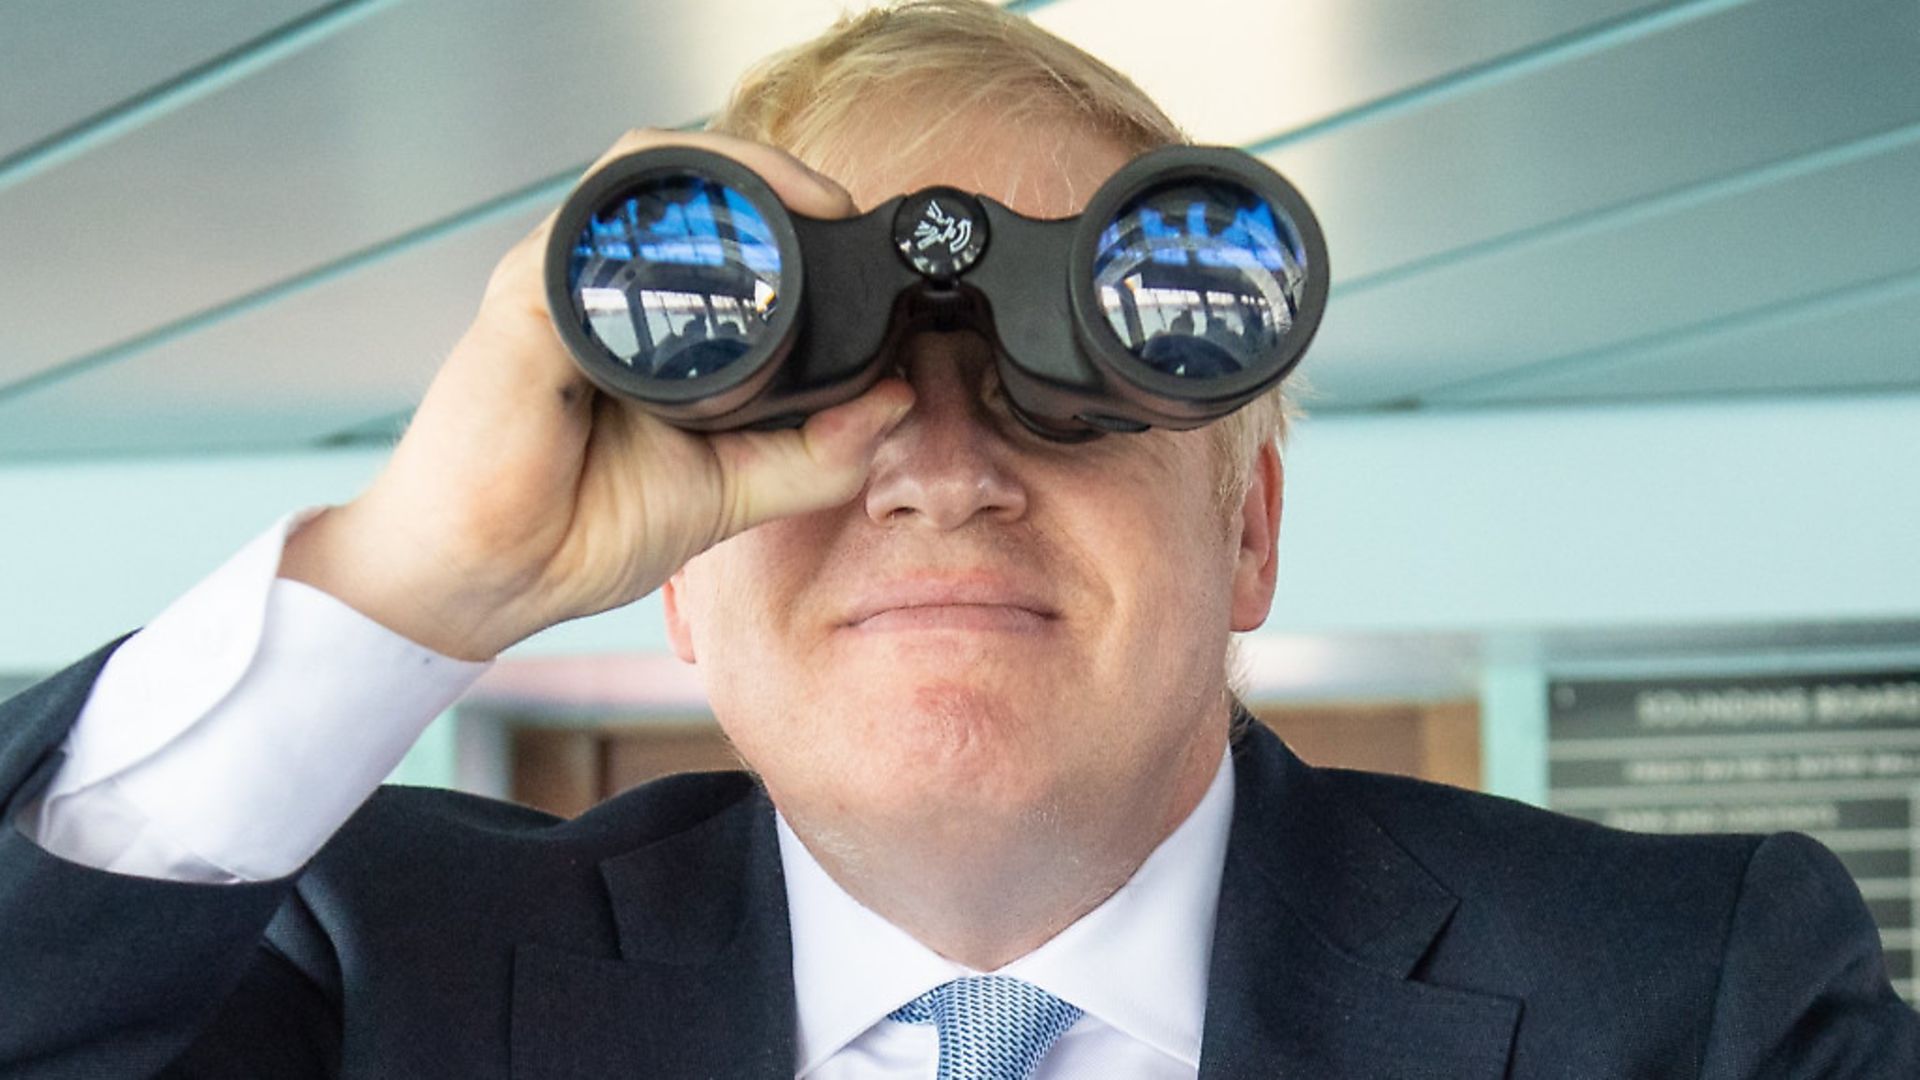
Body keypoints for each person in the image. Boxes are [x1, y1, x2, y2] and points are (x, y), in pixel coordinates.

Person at [0, 3, 1914, 1077]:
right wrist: (414, 572)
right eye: (812, 407)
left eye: (1074, 385)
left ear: (1248, 534)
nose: (938, 470)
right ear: (674, 567)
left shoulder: (1687, 999)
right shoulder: (366, 968)